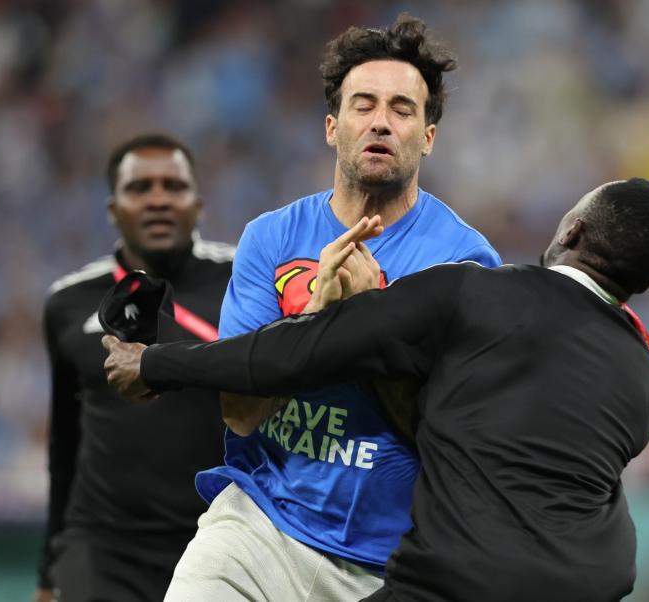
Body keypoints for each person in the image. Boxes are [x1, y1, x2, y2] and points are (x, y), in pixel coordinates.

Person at [103, 177, 649, 601]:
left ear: (573, 229)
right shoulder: (648, 381)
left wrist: (155, 364)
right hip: (593, 583)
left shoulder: (477, 291)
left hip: (455, 583)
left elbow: (292, 351)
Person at [160, 14, 501, 601]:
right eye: (363, 104)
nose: (380, 122)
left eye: (402, 109)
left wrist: (370, 326)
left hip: (393, 565)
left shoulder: (466, 263)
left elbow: (456, 444)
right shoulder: (270, 239)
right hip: (259, 528)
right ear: (331, 126)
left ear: (428, 137)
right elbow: (240, 414)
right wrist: (314, 323)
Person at [34, 133, 235, 602]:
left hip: (218, 540)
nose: (158, 200)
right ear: (112, 209)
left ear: (198, 204)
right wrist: (48, 570)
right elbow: (65, 443)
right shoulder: (67, 302)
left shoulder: (243, 281)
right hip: (102, 547)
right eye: (140, 188)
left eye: (173, 186)